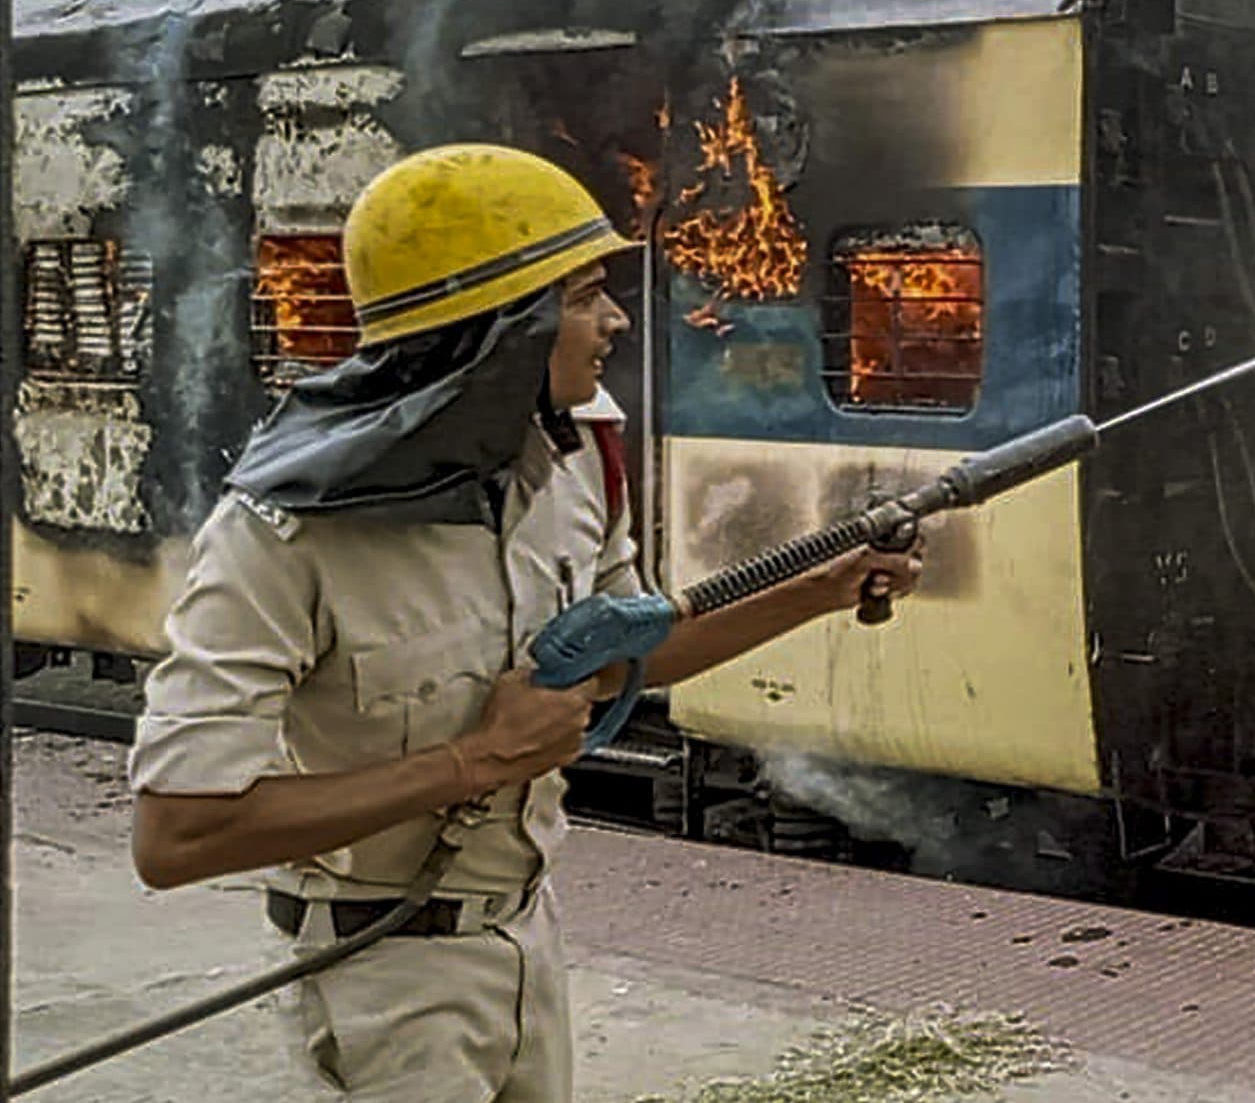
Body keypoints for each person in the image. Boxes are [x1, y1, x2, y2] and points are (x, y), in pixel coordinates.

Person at [126, 143, 920, 1101]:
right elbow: (177, 837)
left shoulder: (575, 456)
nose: (616, 320)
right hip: (383, 979)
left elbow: (625, 648)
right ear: (499, 333)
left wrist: (821, 587)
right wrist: (474, 764)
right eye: (586, 295)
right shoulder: (281, 539)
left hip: (526, 945)